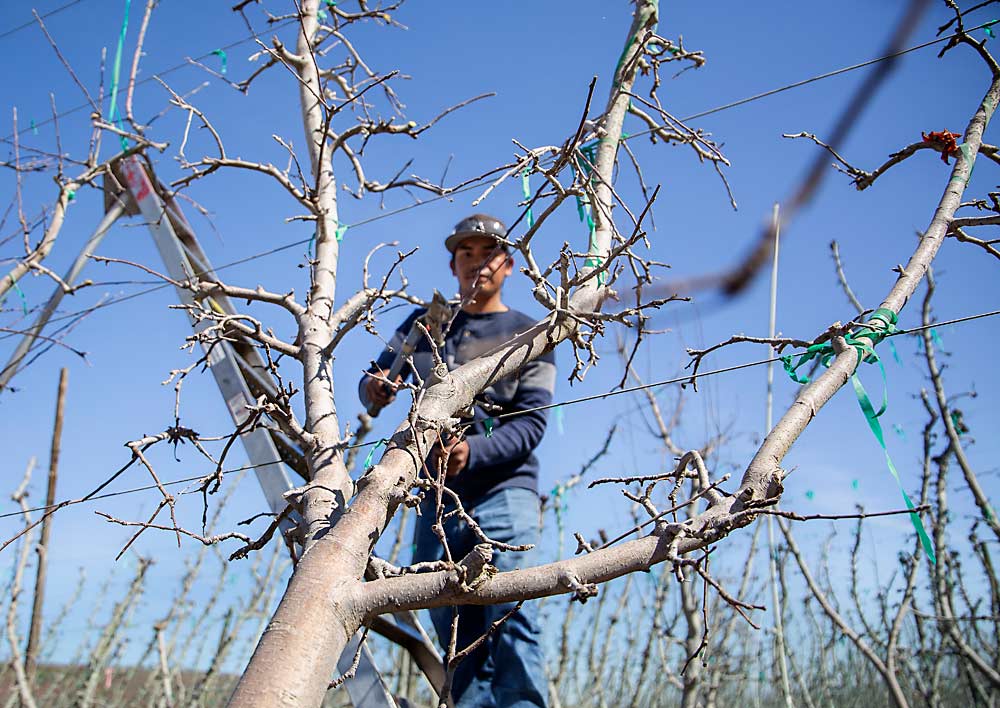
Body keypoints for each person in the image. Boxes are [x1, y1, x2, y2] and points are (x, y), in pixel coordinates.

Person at [359, 214, 554, 708]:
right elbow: (376, 377)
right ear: (453, 265)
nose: (476, 263)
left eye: (487, 252)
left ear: (508, 265)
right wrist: (376, 388)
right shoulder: (425, 324)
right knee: (448, 613)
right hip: (434, 493)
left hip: (504, 492)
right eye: (466, 253)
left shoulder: (530, 333)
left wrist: (473, 451)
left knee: (509, 610)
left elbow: (531, 426)